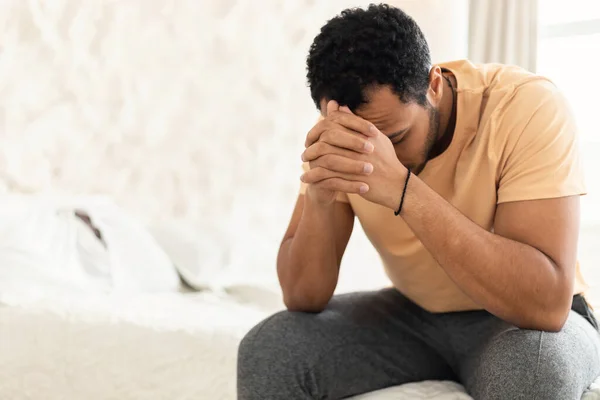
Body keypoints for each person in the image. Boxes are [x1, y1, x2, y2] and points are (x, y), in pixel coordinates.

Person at [237, 4, 600, 399]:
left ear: (434, 84)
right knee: (269, 349)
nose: (376, 159)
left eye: (394, 139)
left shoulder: (523, 105)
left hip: (516, 322)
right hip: (416, 316)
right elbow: (304, 296)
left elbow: (544, 305)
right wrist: (323, 199)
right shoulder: (343, 138)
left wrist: (404, 190)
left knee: (531, 370)